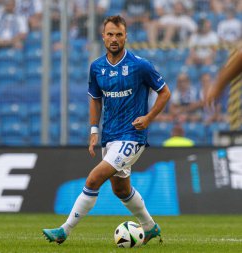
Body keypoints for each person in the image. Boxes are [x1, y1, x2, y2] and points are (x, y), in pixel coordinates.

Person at [42, 15, 171, 245]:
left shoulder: (140, 65)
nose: (114, 39)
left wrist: (149, 118)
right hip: (110, 137)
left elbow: (165, 92)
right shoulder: (97, 67)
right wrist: (94, 131)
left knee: (93, 179)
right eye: (110, 34)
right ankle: (150, 227)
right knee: (121, 190)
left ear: (125, 37)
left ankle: (64, 230)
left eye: (119, 35)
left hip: (133, 137)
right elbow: (95, 99)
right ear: (103, 37)